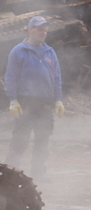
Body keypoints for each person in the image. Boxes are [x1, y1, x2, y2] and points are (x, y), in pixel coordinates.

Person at [4, 15, 64, 179]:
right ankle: (9, 176)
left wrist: (58, 99)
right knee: (20, 140)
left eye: (45, 30)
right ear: (30, 29)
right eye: (39, 29)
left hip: (45, 103)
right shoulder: (18, 51)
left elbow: (56, 78)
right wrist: (13, 100)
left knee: (42, 140)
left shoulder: (50, 52)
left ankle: (38, 174)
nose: (43, 32)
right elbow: (10, 77)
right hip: (25, 102)